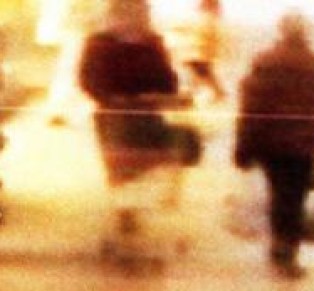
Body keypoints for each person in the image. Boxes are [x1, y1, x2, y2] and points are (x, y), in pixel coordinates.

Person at [234, 10, 314, 278]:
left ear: (281, 33)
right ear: (304, 35)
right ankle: (287, 250)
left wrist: (244, 147)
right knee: (295, 198)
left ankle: (280, 245)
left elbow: (252, 107)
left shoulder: (265, 63)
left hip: (272, 145)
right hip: (304, 147)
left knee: (279, 193)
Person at [79, 0, 188, 240]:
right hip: (114, 115)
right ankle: (125, 211)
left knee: (146, 162)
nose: (137, 20)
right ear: (116, 17)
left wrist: (163, 93)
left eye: (141, 15)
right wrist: (110, 98)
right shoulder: (99, 44)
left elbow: (167, 79)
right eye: (132, 15)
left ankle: (132, 206)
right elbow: (88, 79)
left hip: (146, 113)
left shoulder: (152, 43)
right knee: (121, 166)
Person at [174, 0, 226, 103]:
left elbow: (206, 37)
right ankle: (217, 94)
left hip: (198, 53)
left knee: (201, 75)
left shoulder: (207, 19)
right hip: (199, 53)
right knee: (201, 75)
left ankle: (217, 94)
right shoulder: (207, 19)